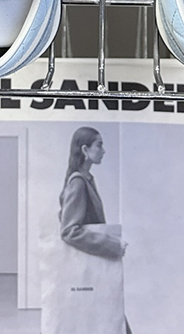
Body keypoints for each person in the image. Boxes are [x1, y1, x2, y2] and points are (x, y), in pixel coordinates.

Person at [58, 127, 132, 334]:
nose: (103, 150)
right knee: (113, 321)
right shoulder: (78, 182)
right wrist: (112, 245)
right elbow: (68, 231)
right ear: (85, 149)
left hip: (91, 269)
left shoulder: (85, 180)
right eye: (99, 145)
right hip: (91, 268)